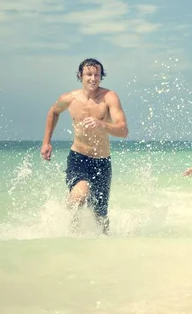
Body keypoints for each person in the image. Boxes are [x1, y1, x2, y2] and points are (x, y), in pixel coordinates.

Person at [40, 58, 129, 234]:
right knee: (79, 196)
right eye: (89, 74)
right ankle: (67, 230)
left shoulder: (109, 97)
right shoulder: (70, 98)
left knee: (100, 216)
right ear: (81, 75)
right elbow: (53, 111)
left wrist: (103, 124)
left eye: (97, 74)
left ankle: (104, 245)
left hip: (102, 162)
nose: (93, 78)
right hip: (78, 157)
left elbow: (123, 130)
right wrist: (46, 142)